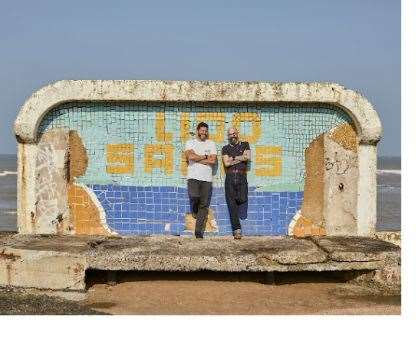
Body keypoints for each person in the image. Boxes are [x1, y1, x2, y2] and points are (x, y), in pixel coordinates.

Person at [184, 122, 217, 239]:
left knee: (203, 205)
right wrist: (204, 157)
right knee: (194, 195)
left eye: (206, 131)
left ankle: (198, 233)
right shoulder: (190, 143)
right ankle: (194, 209)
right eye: (202, 130)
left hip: (207, 179)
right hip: (193, 176)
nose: (204, 132)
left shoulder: (211, 144)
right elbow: (190, 157)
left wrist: (197, 157)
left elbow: (213, 161)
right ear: (198, 131)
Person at [221, 127, 251, 239]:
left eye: (234, 133)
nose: (232, 135)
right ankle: (237, 230)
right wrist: (240, 158)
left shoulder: (245, 144)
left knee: (243, 198)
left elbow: (247, 157)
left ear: (237, 134)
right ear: (228, 136)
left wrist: (232, 158)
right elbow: (226, 163)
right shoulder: (225, 148)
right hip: (229, 177)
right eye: (230, 134)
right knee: (231, 205)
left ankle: (237, 203)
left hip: (242, 176)